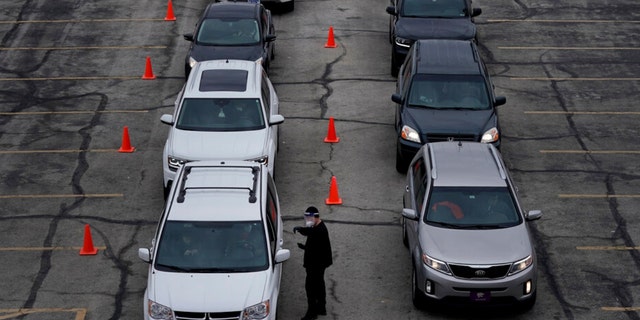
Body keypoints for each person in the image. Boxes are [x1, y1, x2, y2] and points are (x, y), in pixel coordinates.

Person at [293, 206, 333, 320]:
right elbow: (311, 232)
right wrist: (301, 231)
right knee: (320, 285)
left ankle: (312, 313)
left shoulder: (320, 231)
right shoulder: (318, 226)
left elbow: (312, 234)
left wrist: (306, 247)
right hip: (320, 262)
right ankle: (321, 308)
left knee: (311, 288)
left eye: (309, 218)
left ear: (316, 217)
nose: (307, 221)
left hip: (316, 264)